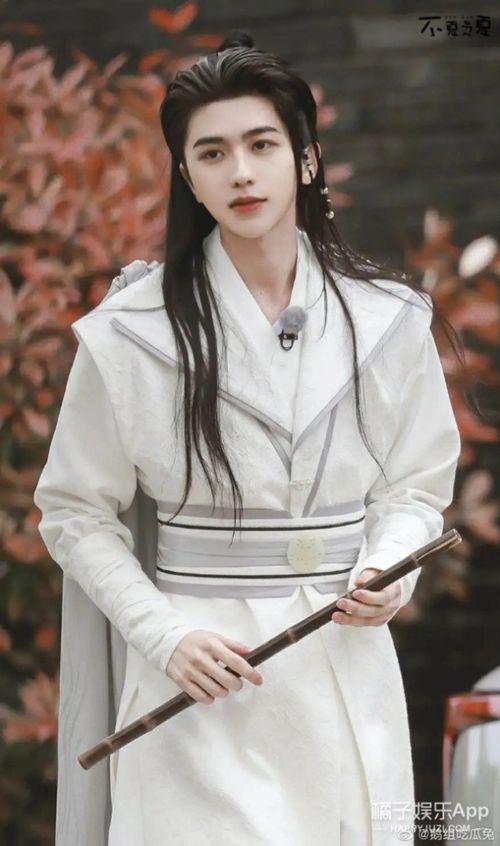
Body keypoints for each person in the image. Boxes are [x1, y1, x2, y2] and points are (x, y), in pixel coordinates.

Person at [33, 30, 462, 846]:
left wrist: (389, 568)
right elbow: (74, 510)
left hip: (344, 669)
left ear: (306, 160)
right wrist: (164, 636)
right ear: (187, 177)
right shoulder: (131, 331)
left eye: (262, 145)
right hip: (202, 681)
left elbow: (415, 487)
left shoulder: (389, 319)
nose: (240, 171)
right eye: (213, 153)